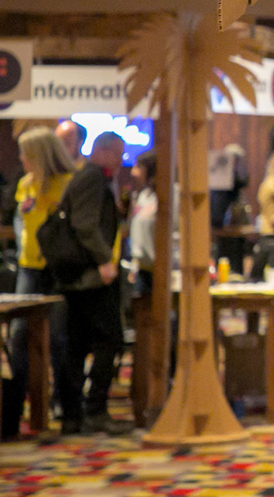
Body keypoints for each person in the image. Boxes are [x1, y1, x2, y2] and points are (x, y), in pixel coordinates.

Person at [2, 128, 74, 440]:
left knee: (57, 339)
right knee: (19, 338)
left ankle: (63, 404)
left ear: (41, 154)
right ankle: (14, 408)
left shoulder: (67, 184)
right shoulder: (24, 185)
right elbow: (22, 226)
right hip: (28, 268)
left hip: (56, 270)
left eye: (26, 153)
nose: (20, 159)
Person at [55, 131, 129, 435]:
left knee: (78, 342)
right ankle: (92, 409)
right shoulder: (93, 178)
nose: (122, 161)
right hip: (90, 276)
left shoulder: (93, 177)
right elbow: (84, 225)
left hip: (82, 276)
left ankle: (75, 414)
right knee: (108, 338)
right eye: (118, 154)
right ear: (104, 150)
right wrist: (104, 261)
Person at [127, 150, 158, 297]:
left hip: (162, 270)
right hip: (142, 269)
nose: (133, 172)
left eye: (138, 167)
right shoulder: (143, 196)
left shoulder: (169, 196)